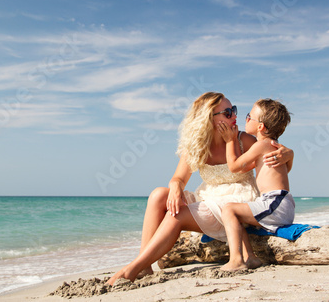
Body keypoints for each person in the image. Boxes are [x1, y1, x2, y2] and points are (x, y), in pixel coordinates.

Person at [106, 92, 294, 285]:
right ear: (208, 118)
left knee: (176, 215)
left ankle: (134, 267)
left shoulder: (243, 140)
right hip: (209, 196)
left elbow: (271, 156)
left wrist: (289, 154)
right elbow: (179, 177)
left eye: (234, 110)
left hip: (237, 201)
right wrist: (175, 187)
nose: (235, 116)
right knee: (158, 195)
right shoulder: (197, 146)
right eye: (228, 112)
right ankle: (144, 265)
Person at [216, 98, 295, 271]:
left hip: (275, 203)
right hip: (281, 203)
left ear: (260, 127)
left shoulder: (263, 145)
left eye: (248, 116)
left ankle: (236, 260)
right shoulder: (273, 146)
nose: (245, 120)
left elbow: (234, 167)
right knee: (238, 212)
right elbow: (249, 168)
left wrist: (230, 141)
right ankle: (250, 258)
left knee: (229, 209)